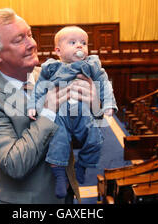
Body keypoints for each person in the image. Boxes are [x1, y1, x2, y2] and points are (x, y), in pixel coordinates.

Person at [0, 8, 99, 204]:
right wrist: (48, 112)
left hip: (67, 193)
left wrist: (90, 107)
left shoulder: (53, 74)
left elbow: (77, 138)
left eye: (29, 34)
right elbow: (15, 165)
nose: (32, 44)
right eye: (19, 39)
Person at [27, 26, 117, 198]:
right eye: (73, 42)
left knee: (96, 139)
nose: (80, 46)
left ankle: (82, 164)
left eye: (84, 43)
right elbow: (39, 88)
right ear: (58, 51)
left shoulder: (91, 65)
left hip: (83, 114)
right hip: (61, 116)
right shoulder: (51, 68)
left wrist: (105, 103)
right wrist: (34, 105)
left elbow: (104, 83)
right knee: (58, 141)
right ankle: (60, 175)